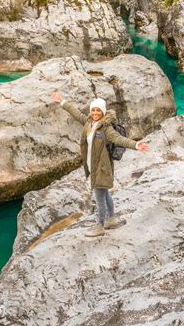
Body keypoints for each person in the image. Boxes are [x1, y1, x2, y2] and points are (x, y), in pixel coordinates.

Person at [51, 92, 149, 237]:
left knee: (99, 199)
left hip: (102, 169)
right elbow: (76, 113)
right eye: (93, 110)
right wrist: (62, 102)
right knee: (105, 194)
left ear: (103, 112)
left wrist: (136, 145)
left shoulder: (106, 128)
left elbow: (119, 139)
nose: (95, 113)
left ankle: (99, 227)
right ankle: (111, 219)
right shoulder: (89, 122)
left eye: (98, 110)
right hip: (93, 166)